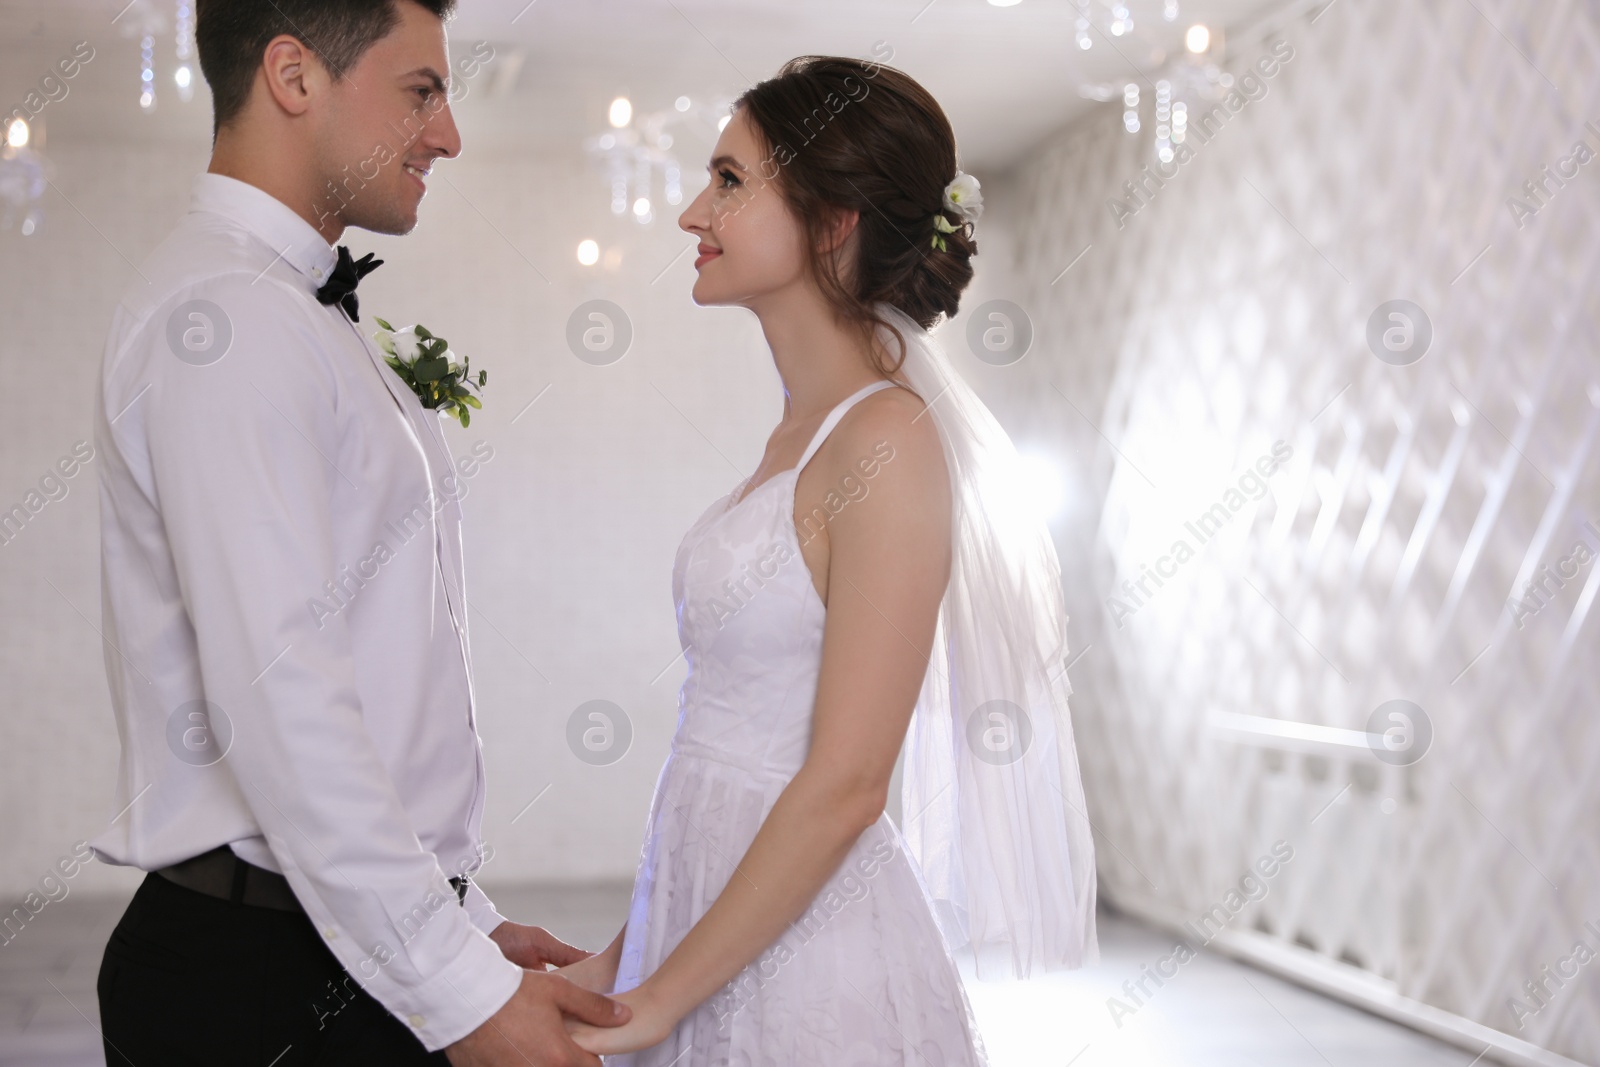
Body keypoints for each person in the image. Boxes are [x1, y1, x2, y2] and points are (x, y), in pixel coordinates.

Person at [90, 2, 628, 1063]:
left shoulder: (295, 307)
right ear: (294, 77)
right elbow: (288, 702)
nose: (449, 134)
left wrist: (461, 925)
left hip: (331, 946)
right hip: (257, 981)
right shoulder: (229, 320)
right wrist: (461, 988)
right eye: (421, 91)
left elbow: (378, 681)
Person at [554, 57, 1099, 1064]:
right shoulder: (800, 437)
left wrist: (659, 997)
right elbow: (720, 763)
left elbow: (847, 780)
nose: (690, 213)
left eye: (726, 180)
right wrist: (621, 961)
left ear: (833, 218)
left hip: (813, 980)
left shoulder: (884, 442)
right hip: (709, 942)